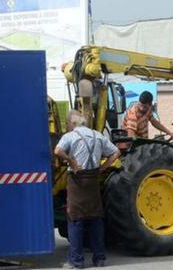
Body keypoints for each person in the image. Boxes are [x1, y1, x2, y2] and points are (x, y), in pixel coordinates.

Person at [54, 110, 120, 269]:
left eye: (68, 123)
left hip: (77, 182)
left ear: (73, 123)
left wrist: (71, 160)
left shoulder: (70, 136)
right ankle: (99, 258)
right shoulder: (98, 135)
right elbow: (116, 152)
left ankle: (76, 261)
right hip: (93, 181)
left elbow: (57, 151)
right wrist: (102, 168)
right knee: (95, 219)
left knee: (75, 220)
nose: (68, 126)